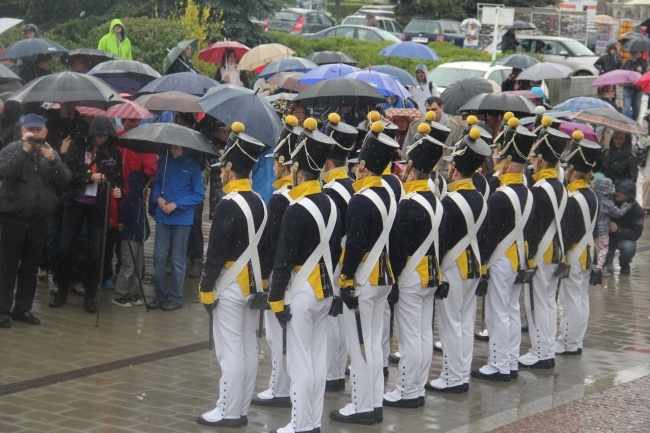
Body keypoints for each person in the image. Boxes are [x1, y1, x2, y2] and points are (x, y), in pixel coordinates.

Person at [268, 117, 341, 433]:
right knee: (316, 360)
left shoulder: (297, 208)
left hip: (300, 291)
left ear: (297, 171)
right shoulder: (332, 203)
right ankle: (311, 421)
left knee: (300, 362)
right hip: (324, 289)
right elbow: (335, 252)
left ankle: (300, 424)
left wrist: (275, 298)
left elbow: (283, 259)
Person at [197, 122, 268, 428]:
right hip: (252, 284)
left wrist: (205, 286)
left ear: (229, 169)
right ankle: (239, 407)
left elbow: (216, 251)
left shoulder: (228, 204)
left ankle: (226, 410)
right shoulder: (260, 201)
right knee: (248, 347)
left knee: (230, 351)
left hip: (228, 284)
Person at [330, 120, 399, 426]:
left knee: (360, 346)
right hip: (383, 276)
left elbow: (355, 245)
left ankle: (361, 406)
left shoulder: (361, 199)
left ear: (365, 167)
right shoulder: (387, 193)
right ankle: (374, 401)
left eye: (359, 164)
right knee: (372, 343)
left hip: (363, 279)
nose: (355, 169)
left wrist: (345, 278)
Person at [383, 123, 446, 406]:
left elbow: (397, 248)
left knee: (410, 337)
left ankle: (406, 390)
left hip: (410, 274)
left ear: (411, 169)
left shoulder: (408, 204)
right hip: (429, 273)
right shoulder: (434, 200)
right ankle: (417, 387)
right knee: (422, 334)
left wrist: (393, 280)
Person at [472, 117, 536, 382]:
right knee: (510, 310)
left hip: (500, 259)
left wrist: (483, 264)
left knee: (499, 312)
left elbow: (488, 235)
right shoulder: (528, 191)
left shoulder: (500, 196)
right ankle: (509, 361)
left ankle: (498, 364)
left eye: (500, 159)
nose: (496, 163)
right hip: (519, 258)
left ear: (508, 163)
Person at [428, 126, 490, 392]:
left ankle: (452, 378)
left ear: (455, 169)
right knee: (464, 323)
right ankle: (461, 374)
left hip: (453, 267)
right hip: (473, 265)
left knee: (451, 325)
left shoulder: (450, 201)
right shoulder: (479, 197)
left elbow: (442, 240)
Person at [0, 114, 71, 328]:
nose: (34, 134)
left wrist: (55, 160)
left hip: (39, 221)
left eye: (38, 130)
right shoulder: (11, 150)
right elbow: (5, 173)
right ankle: (2, 311)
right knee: (7, 268)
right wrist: (22, 151)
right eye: (30, 129)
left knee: (30, 269)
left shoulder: (48, 153)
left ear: (45, 132)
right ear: (22, 130)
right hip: (13, 219)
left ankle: (22, 309)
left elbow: (65, 180)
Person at [49, 115, 124, 313]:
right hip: (75, 204)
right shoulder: (78, 146)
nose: (102, 139)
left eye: (106, 136)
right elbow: (68, 174)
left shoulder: (113, 152)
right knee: (66, 248)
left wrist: (118, 189)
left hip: (97, 207)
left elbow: (117, 178)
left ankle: (91, 296)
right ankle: (61, 291)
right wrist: (90, 176)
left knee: (95, 253)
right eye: (99, 135)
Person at [253, 115, 302, 409]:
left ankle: (280, 387)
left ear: (283, 165)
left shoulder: (280, 199)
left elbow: (270, 243)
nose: (272, 167)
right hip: (302, 276)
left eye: (275, 162)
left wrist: (263, 275)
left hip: (281, 275)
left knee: (277, 335)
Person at [518, 118, 570, 369]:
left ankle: (541, 351)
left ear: (541, 160)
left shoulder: (539, 188)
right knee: (548, 302)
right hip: (556, 251)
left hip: (540, 253)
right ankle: (546, 348)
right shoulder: (560, 186)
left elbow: (535, 226)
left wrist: (528, 255)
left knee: (538, 304)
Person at [554, 132, 600, 355]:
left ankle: (567, 342)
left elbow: (567, 232)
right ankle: (576, 340)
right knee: (580, 298)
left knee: (570, 299)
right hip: (587, 253)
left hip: (574, 254)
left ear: (571, 170)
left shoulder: (573, 198)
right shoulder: (591, 195)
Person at [321, 113, 358, 392]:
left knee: (333, 321)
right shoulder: (352, 184)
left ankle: (333, 373)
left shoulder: (332, 192)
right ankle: (336, 367)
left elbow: (331, 236)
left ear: (328, 162)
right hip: (346, 261)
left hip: (334, 262)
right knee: (341, 318)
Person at [150, 142, 204, 311]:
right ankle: (159, 294)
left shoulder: (193, 166)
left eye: (177, 146)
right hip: (163, 216)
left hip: (182, 218)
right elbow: (156, 183)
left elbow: (199, 195)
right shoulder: (164, 162)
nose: (173, 149)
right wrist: (158, 198)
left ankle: (176, 297)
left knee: (177, 259)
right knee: (159, 258)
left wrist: (177, 204)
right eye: (172, 146)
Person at [111, 170, 150, 307]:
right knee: (128, 266)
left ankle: (130, 292)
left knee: (138, 267)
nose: (147, 189)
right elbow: (126, 218)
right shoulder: (132, 199)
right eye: (145, 186)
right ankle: (119, 294)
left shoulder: (139, 199)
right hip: (130, 238)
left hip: (139, 238)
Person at [405, 97, 462, 180]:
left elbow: (457, 153)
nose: (432, 112)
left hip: (442, 175)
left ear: (442, 108)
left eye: (434, 109)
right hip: (418, 175)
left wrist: (450, 174)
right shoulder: (416, 125)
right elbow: (406, 150)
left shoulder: (454, 127)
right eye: (428, 110)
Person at [590, 173, 632, 283]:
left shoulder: (594, 199)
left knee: (593, 249)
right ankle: (598, 269)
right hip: (603, 232)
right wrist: (626, 206)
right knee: (603, 250)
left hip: (592, 230)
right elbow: (618, 214)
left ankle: (590, 266)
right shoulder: (608, 203)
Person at [605, 179, 645, 275]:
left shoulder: (637, 211)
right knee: (603, 253)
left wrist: (618, 230)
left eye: (621, 192)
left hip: (623, 238)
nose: (617, 194)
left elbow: (636, 233)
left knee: (628, 247)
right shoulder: (610, 203)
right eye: (617, 191)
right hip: (608, 238)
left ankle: (624, 264)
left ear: (629, 195)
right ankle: (606, 262)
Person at [621, 51, 647, 120]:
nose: (633, 55)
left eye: (634, 54)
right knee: (627, 107)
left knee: (636, 109)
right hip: (628, 87)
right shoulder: (626, 63)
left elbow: (645, 75)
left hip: (638, 89)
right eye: (632, 54)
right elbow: (622, 75)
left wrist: (641, 71)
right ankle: (627, 123)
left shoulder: (641, 63)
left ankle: (634, 121)